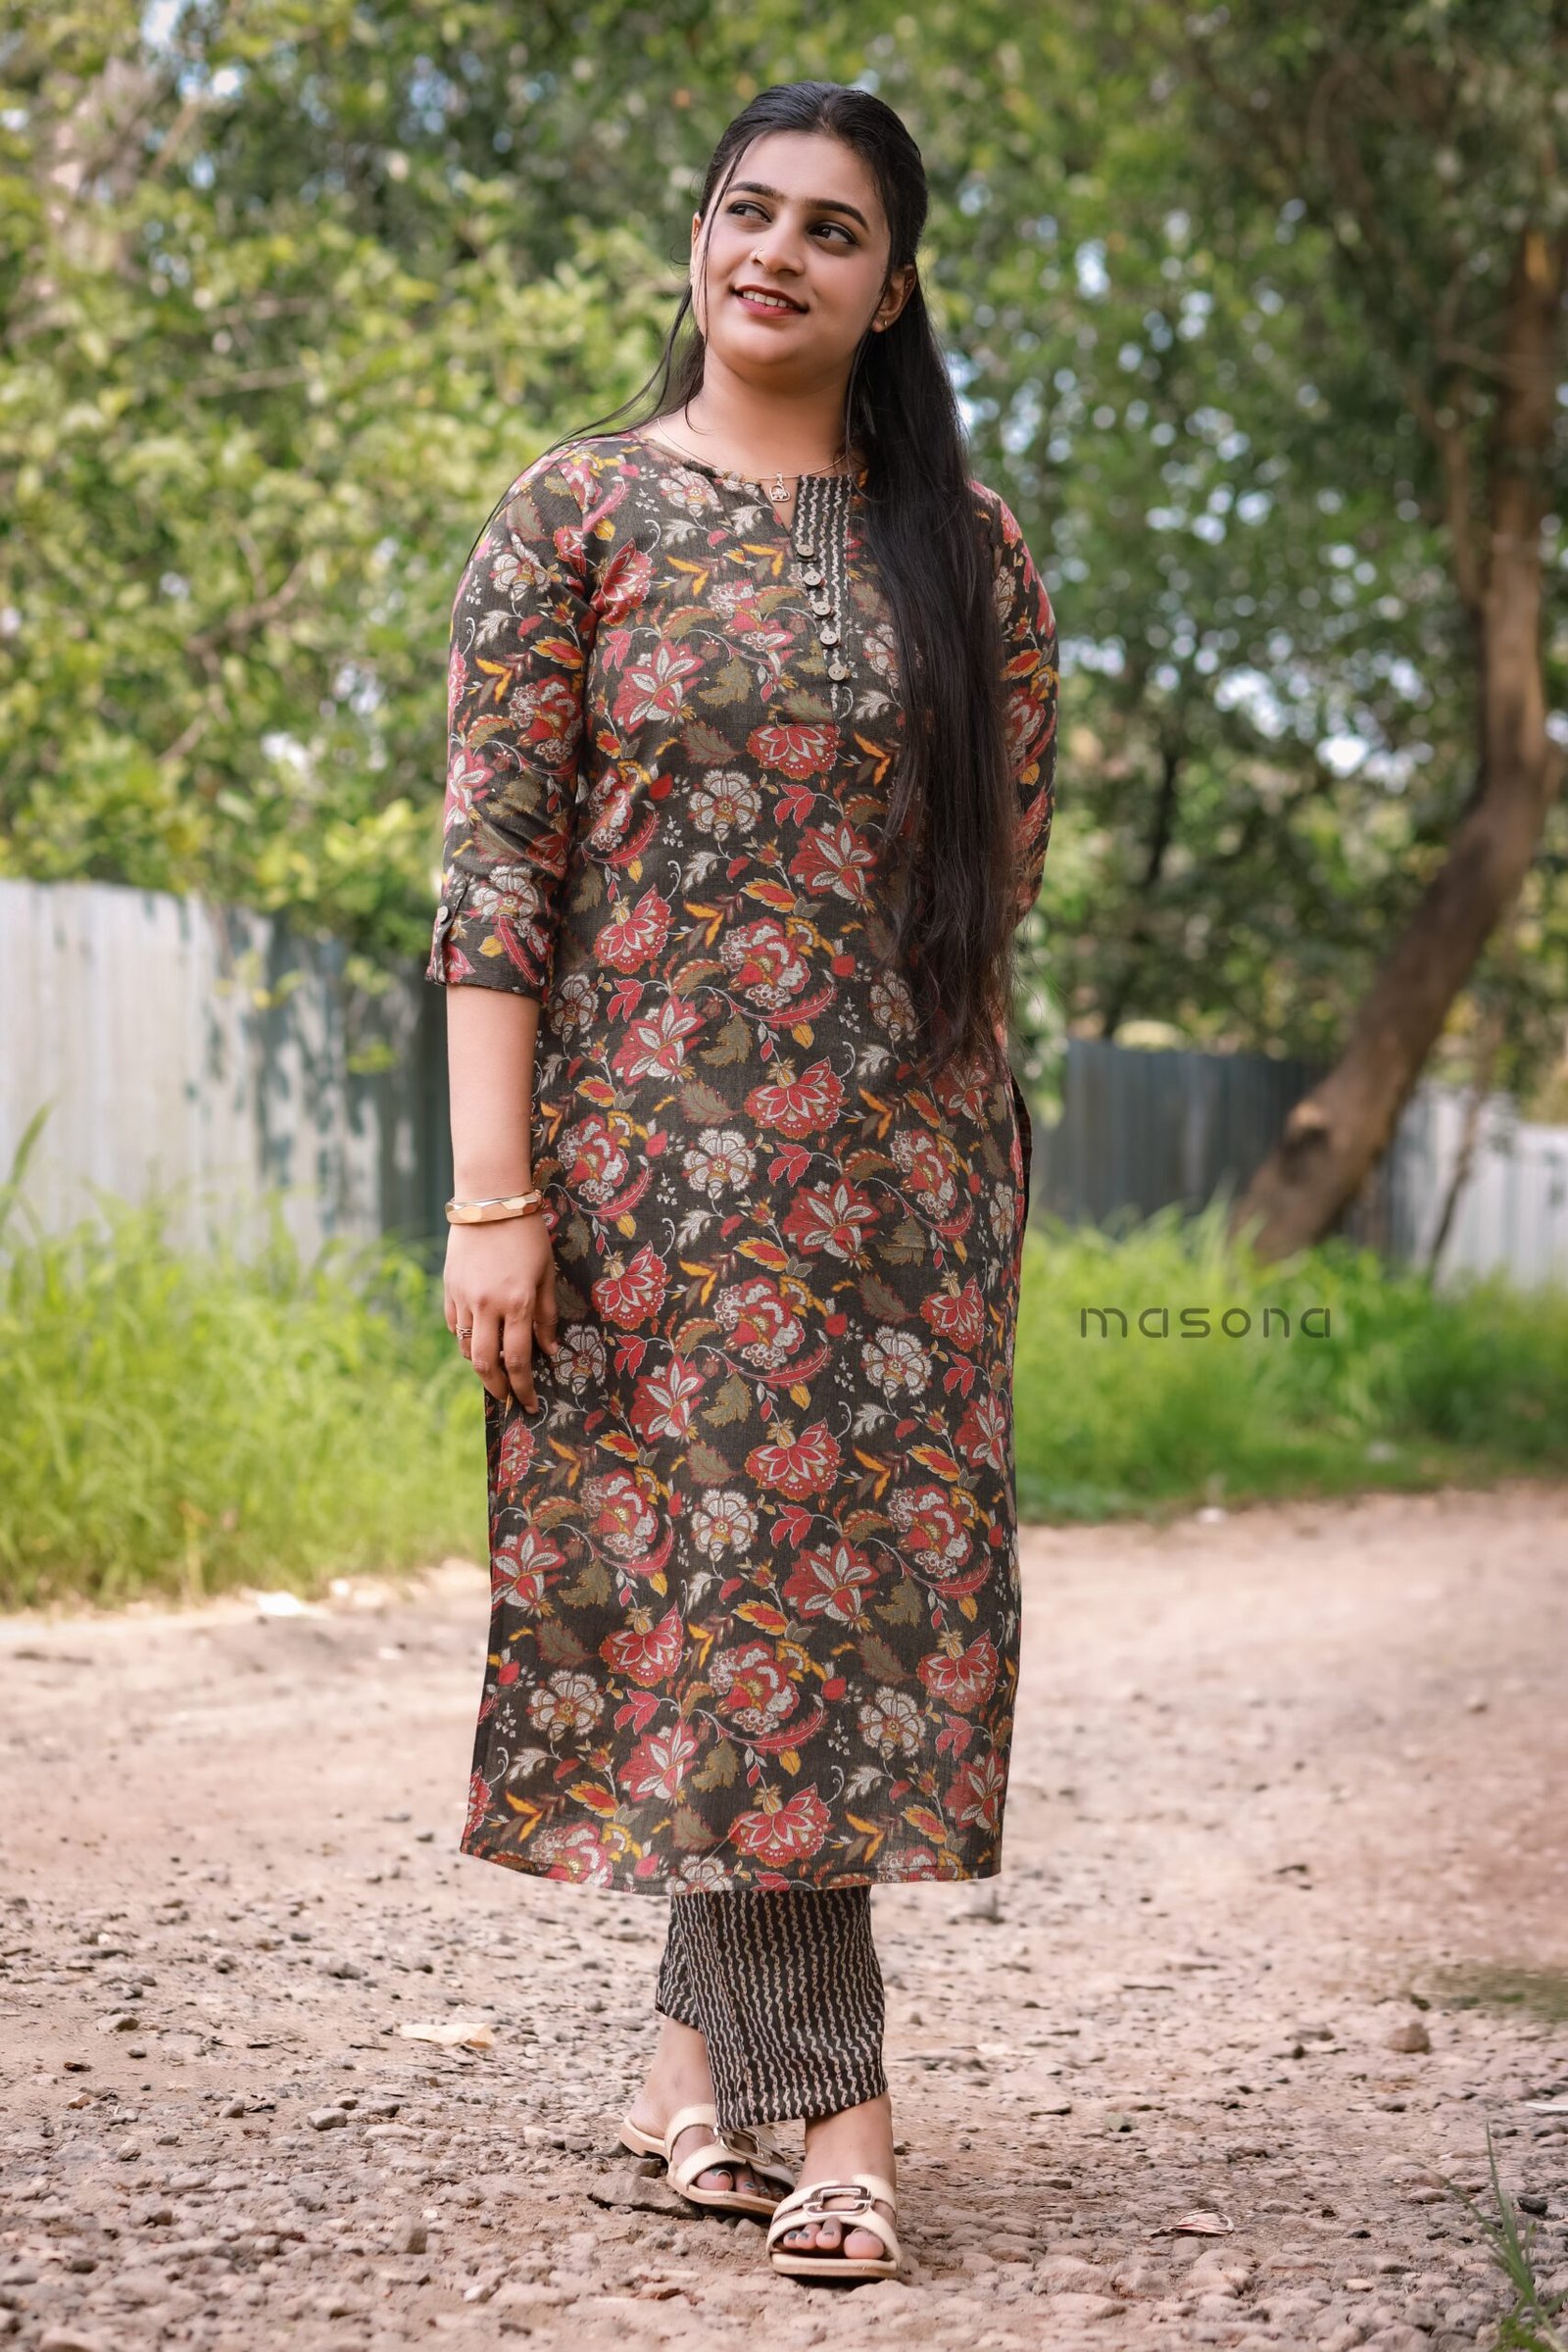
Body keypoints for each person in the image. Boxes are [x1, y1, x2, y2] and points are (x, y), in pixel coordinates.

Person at [428, 76, 1058, 2283]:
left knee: (809, 1621)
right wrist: (490, 1193)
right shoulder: (577, 513)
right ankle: (842, 2113)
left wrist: (946, 1181)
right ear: (697, 239)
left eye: (831, 229)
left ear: (895, 290)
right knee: (735, 1610)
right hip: (645, 1187)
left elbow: (990, 888)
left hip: (897, 1189)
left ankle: (691, 2070)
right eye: (745, 209)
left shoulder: (968, 554)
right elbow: (494, 878)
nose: (774, 252)